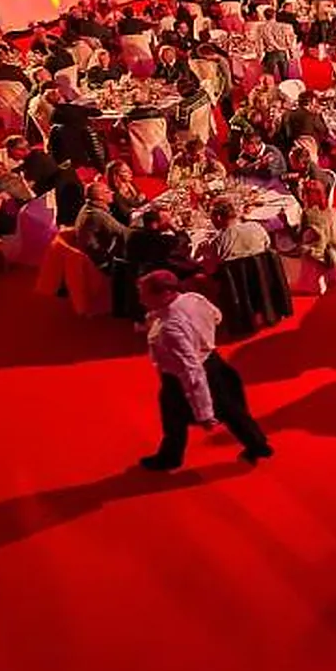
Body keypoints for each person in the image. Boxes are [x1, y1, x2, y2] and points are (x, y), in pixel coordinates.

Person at [137, 270, 273, 471]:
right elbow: (217, 316)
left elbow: (191, 370)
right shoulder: (194, 298)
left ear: (164, 293)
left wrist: (204, 413)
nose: (141, 299)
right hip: (216, 364)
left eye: (145, 294)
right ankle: (258, 444)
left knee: (173, 419)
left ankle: (170, 458)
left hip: (183, 377)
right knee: (232, 410)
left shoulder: (170, 328)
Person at [126, 207, 203, 280]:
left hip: (138, 275)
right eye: (165, 220)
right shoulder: (162, 241)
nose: (168, 221)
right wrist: (173, 226)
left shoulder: (135, 235)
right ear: (154, 224)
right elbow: (185, 243)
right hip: (163, 277)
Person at [202, 198, 270, 267]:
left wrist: (204, 253)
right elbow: (267, 247)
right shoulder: (256, 227)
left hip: (235, 276)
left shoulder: (219, 241)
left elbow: (210, 269)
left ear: (218, 217)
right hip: (262, 272)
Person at [296, 178, 336, 277]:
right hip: (335, 251)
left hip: (317, 253)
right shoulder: (333, 212)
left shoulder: (307, 214)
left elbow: (298, 236)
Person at [74, 181, 129, 267]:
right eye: (107, 192)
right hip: (101, 263)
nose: (112, 193)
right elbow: (125, 233)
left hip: (91, 257)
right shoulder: (97, 215)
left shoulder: (87, 207)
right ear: (100, 197)